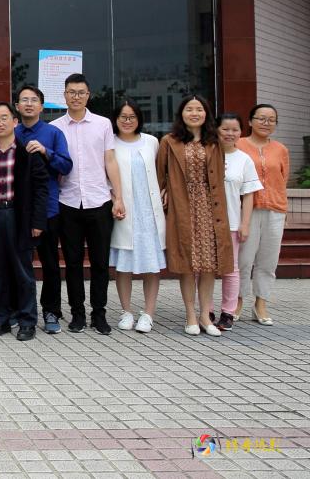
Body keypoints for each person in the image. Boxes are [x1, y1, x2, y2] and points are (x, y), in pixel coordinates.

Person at [50, 73, 125, 336]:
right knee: (72, 263)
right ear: (64, 95)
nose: (76, 97)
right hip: (67, 202)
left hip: (99, 200)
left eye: (81, 92)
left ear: (88, 95)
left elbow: (110, 160)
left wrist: (118, 197)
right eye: (71, 92)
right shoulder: (55, 127)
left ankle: (99, 314)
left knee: (100, 262)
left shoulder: (103, 124)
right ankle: (77, 314)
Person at [156, 95, 233, 337]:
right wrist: (165, 193)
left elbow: (220, 175)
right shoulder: (169, 141)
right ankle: (190, 314)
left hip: (210, 208)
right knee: (188, 264)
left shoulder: (215, 141)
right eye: (189, 109)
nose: (194, 113)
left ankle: (205, 316)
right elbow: (160, 175)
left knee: (209, 264)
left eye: (199, 109)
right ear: (182, 114)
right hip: (182, 206)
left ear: (206, 114)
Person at [0, 102, 48, 342]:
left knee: (23, 272)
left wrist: (37, 222)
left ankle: (27, 321)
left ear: (15, 122)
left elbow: (41, 189)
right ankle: (1, 319)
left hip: (19, 216)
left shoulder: (29, 152)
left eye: (4, 118)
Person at [14, 85, 72, 335]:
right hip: (18, 211)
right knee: (20, 264)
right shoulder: (11, 132)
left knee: (50, 265)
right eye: (24, 100)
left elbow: (66, 166)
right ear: (17, 106)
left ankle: (51, 311)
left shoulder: (53, 133)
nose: (28, 104)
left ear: (41, 106)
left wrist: (46, 152)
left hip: (48, 209)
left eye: (33, 100)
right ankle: (21, 310)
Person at [108, 100, 166, 334]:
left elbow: (162, 172)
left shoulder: (151, 141)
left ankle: (148, 313)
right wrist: (115, 200)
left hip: (149, 211)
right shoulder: (110, 142)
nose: (127, 121)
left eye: (132, 117)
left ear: (139, 119)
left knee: (151, 264)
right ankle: (126, 312)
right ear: (115, 119)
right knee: (124, 265)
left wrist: (165, 191)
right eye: (123, 117)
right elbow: (105, 175)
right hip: (123, 210)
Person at [236, 104, 289, 326]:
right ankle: (237, 300)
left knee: (268, 260)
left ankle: (261, 303)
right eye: (261, 118)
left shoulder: (280, 149)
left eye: (271, 120)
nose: (266, 123)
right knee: (244, 259)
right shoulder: (238, 144)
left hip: (275, 209)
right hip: (246, 210)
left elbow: (283, 179)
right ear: (250, 121)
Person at [216, 112, 262, 331]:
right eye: (225, 129)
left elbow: (249, 195)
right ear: (216, 130)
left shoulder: (244, 159)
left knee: (231, 269)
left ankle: (228, 312)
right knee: (202, 270)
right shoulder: (208, 154)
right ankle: (206, 310)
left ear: (241, 132)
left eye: (235, 129)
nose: (230, 133)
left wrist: (245, 224)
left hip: (232, 223)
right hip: (205, 222)